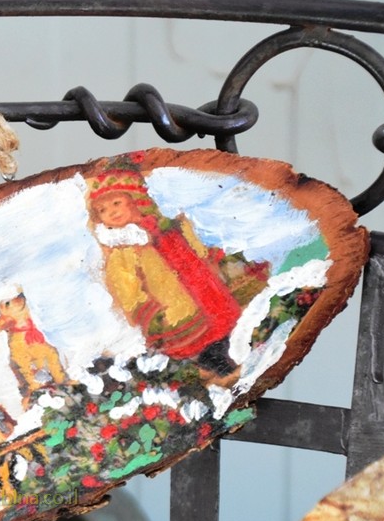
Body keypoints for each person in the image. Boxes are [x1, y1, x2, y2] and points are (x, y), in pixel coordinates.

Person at [85, 157, 268, 382]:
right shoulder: (122, 250)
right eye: (102, 210)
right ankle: (221, 370)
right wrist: (147, 311)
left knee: (226, 324)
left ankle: (243, 357)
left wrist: (204, 251)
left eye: (116, 203)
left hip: (203, 285)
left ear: (134, 200)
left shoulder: (165, 224)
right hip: (174, 304)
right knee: (200, 342)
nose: (112, 212)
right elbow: (125, 285)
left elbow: (193, 240)